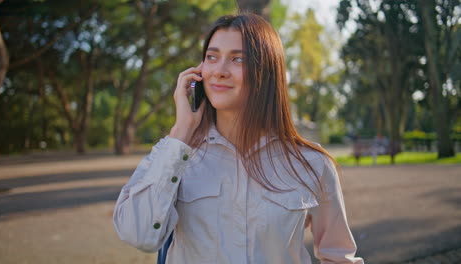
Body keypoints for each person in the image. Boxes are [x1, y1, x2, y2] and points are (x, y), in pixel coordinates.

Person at [113, 13, 364, 264]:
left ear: (266, 72)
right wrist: (181, 131)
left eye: (237, 59)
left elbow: (339, 257)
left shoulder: (312, 163)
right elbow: (139, 236)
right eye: (212, 57)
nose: (220, 71)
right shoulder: (174, 154)